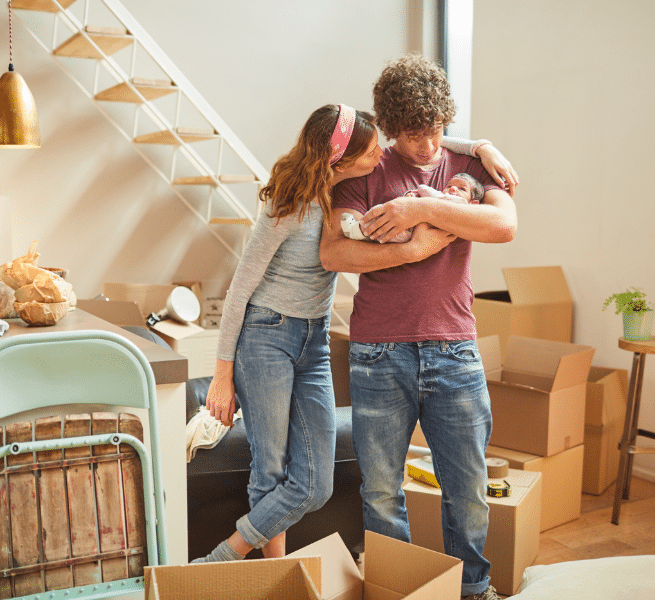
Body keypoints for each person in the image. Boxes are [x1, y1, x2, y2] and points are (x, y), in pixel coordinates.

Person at [199, 102, 516, 564]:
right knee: (269, 469)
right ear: (339, 159)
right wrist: (221, 375)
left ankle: (235, 553)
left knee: (316, 483)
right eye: (370, 152)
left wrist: (478, 146)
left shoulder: (344, 190)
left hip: (316, 341)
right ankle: (262, 572)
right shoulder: (288, 205)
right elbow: (240, 290)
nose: (381, 156)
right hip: (267, 334)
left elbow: (422, 140)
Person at [319, 54, 518, 600]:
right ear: (389, 128)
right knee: (383, 491)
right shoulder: (366, 171)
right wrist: (419, 242)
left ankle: (474, 589)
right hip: (378, 354)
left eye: (434, 133)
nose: (427, 147)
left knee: (469, 489)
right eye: (412, 136)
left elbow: (503, 224)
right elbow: (334, 253)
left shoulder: (469, 167)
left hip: (455, 349)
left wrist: (414, 206)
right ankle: (395, 589)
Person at [341, 171, 484, 243]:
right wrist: (412, 197)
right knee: (382, 213)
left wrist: (421, 191)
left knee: (384, 225)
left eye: (462, 189)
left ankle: (356, 232)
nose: (453, 189)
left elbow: (429, 194)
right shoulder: (443, 199)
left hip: (410, 232)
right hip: (411, 227)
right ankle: (359, 229)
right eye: (449, 185)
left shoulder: (459, 205)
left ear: (473, 204)